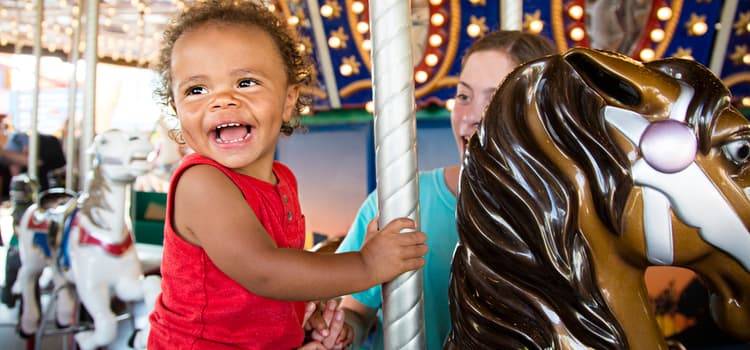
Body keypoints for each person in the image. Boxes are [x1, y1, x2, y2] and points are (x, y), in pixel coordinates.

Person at [146, 1, 428, 349]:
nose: (222, 101)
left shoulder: (281, 181)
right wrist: (365, 265)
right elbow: (264, 270)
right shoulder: (201, 184)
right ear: (176, 108)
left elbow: (280, 279)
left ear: (288, 100)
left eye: (246, 82)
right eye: (196, 91)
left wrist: (306, 317)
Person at [334, 30, 557, 349]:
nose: (469, 118)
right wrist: (345, 332)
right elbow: (356, 310)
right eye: (464, 96)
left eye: (494, 98)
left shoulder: (560, 216)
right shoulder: (402, 203)